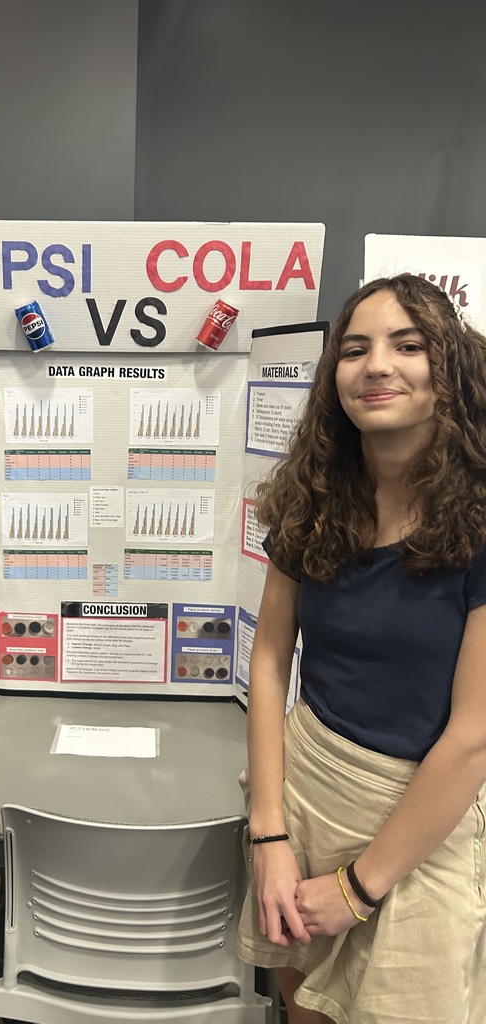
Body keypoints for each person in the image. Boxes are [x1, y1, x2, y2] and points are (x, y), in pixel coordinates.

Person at [236, 274, 486, 1024]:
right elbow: (271, 661)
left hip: (421, 821)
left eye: (408, 346)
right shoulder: (309, 500)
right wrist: (271, 836)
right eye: (354, 349)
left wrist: (358, 888)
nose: (377, 365)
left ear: (452, 371)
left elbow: (473, 739)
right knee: (303, 1007)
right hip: (307, 790)